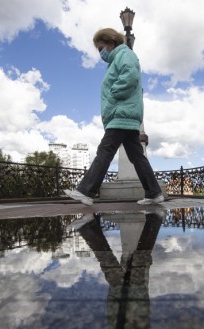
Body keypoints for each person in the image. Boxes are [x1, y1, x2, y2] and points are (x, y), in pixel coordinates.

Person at [65, 28, 164, 206]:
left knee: (105, 151)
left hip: (121, 113)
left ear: (111, 43)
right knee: (137, 156)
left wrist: (112, 95)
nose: (100, 53)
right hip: (125, 115)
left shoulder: (124, 54)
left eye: (100, 48)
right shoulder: (117, 59)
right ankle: (154, 192)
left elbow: (130, 76)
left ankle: (85, 191)